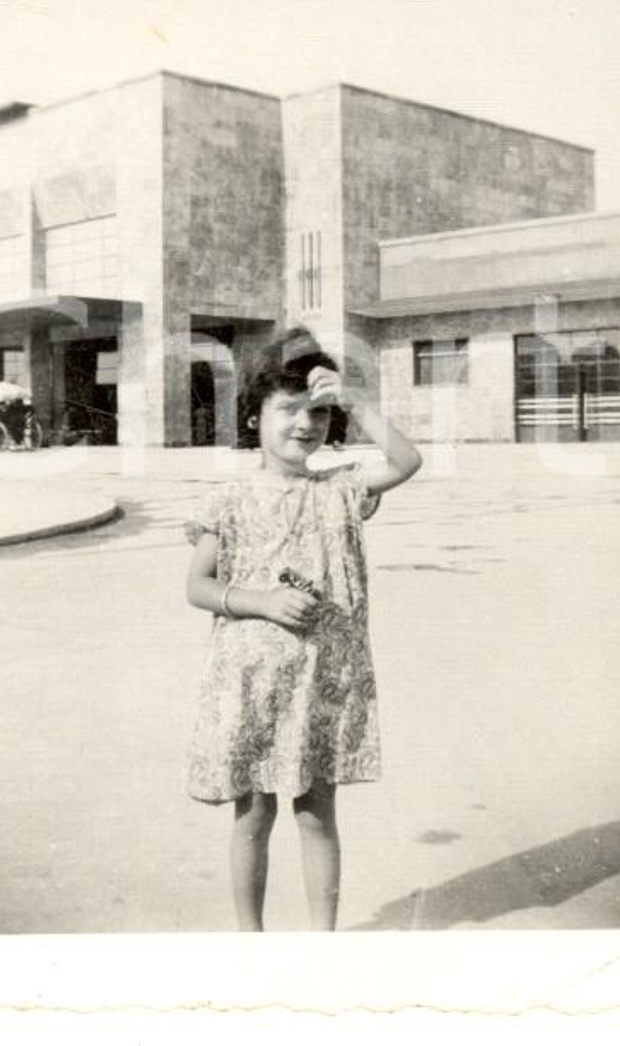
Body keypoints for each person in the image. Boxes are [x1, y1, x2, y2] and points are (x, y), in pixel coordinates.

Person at [183, 327, 423, 931]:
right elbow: (198, 586)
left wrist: (353, 400)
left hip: (323, 681)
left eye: (317, 413)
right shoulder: (229, 498)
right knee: (253, 813)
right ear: (254, 417)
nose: (304, 424)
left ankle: (322, 941)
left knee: (317, 814)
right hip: (252, 682)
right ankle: (251, 939)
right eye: (287, 409)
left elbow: (407, 461)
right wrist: (259, 600)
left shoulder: (341, 488)